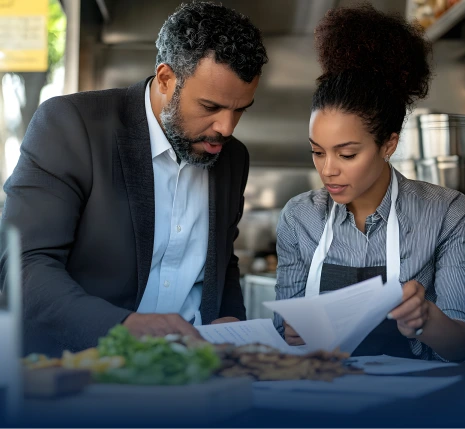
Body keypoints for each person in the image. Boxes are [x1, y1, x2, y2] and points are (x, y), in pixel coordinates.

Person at [1, 1, 268, 356]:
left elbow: (223, 262)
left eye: (240, 110)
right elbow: (23, 266)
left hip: (195, 376)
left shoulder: (233, 158)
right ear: (164, 78)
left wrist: (233, 322)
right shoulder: (70, 125)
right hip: (80, 373)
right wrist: (122, 329)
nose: (226, 128)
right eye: (210, 107)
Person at [274, 4, 465, 362]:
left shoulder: (447, 212)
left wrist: (426, 319)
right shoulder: (299, 217)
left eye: (347, 154)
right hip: (319, 398)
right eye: (317, 152)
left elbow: (462, 347)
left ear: (388, 144)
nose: (328, 170)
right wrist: (289, 331)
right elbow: (282, 331)